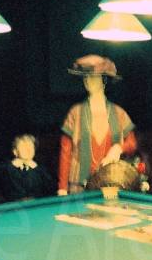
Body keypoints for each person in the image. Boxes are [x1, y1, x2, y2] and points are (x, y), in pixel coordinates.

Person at [58, 55, 137, 194]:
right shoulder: (75, 112)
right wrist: (62, 188)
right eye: (85, 77)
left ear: (104, 80)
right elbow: (65, 152)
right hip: (79, 185)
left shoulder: (119, 113)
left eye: (93, 77)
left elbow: (132, 143)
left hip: (110, 183)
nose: (87, 80)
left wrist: (118, 148)